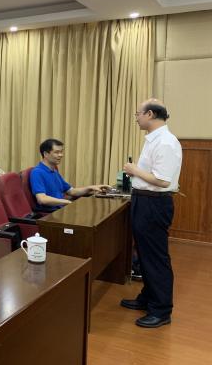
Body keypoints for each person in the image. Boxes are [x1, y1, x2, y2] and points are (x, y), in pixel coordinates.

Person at [120, 99, 182, 329]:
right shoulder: (154, 139)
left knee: (155, 256)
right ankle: (147, 297)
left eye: (138, 113)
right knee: (145, 254)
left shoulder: (166, 142)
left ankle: (161, 310)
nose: (136, 118)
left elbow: (162, 180)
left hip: (154, 204)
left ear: (150, 114)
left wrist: (134, 170)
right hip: (144, 201)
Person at [29, 139, 108, 213]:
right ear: (45, 154)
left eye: (61, 152)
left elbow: (71, 191)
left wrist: (91, 188)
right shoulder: (37, 172)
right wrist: (66, 202)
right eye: (57, 152)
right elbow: (42, 199)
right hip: (51, 214)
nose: (61, 155)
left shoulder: (54, 171)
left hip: (61, 210)